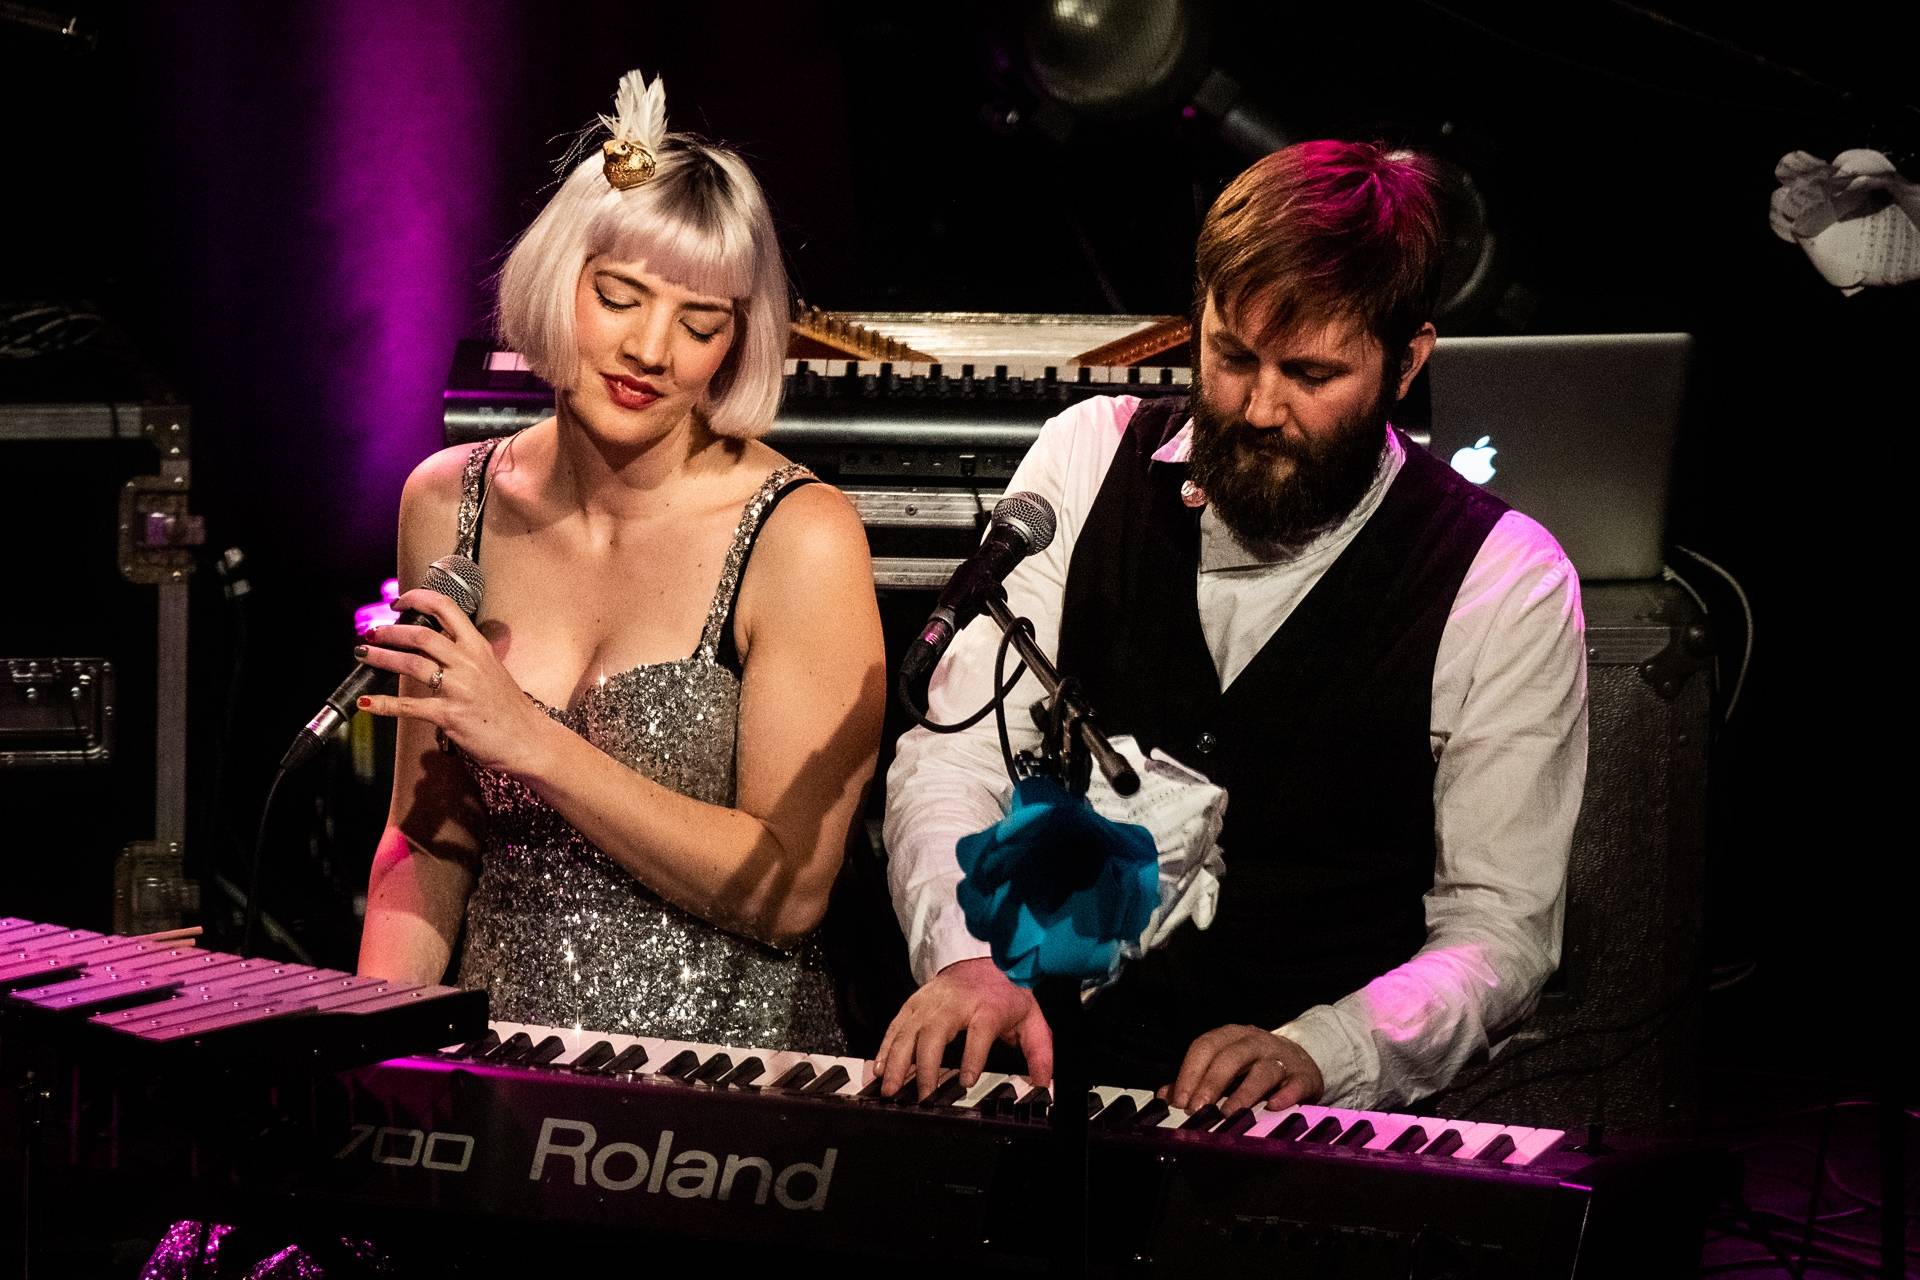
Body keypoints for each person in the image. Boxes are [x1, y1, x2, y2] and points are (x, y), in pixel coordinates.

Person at [878, 140, 1587, 1117]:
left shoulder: (1504, 579)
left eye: (1311, 373)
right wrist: (966, 957)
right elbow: (954, 757)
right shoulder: (1088, 456)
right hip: (1048, 1089)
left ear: (1406, 362)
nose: (1259, 408)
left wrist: (1326, 1047)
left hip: (1308, 1135)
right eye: (1232, 357)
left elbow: (1501, 927)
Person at [352, 69, 885, 1055]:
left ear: (736, 340)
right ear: (561, 282)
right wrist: (374, 1058)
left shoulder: (798, 533)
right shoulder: (445, 503)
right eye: (620, 297)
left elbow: (792, 890)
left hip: (727, 1090)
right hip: (498, 1071)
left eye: (700, 323)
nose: (651, 348)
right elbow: (428, 838)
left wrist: (536, 743)